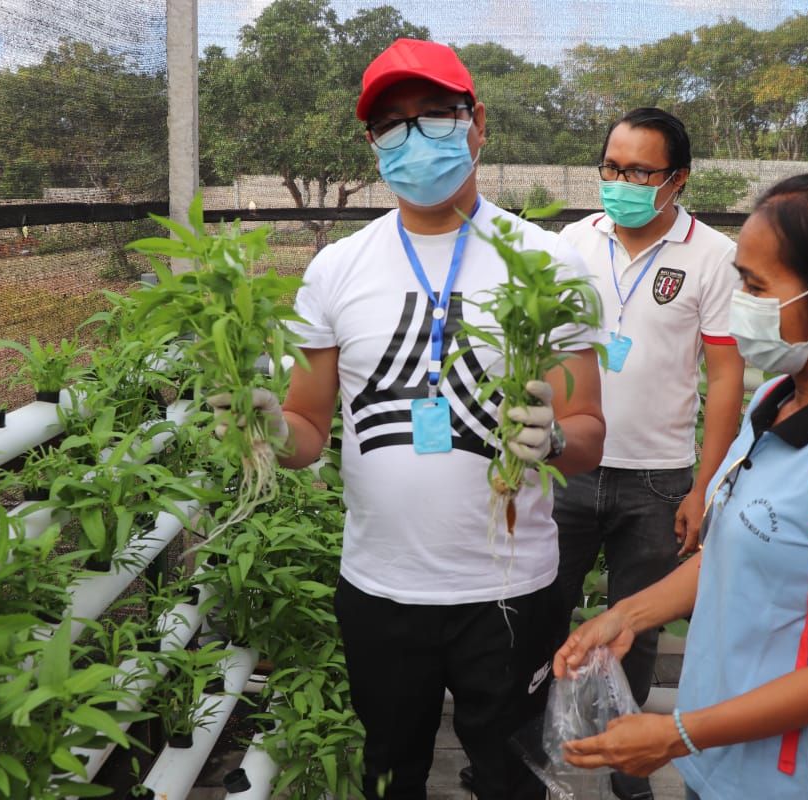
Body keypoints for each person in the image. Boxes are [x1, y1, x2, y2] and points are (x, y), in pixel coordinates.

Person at [217, 38, 606, 799]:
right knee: (391, 771)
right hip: (382, 587)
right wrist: (263, 425)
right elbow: (305, 429)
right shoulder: (338, 267)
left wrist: (555, 439)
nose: (412, 137)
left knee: (510, 776)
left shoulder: (545, 260)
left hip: (511, 590)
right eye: (390, 124)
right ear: (371, 143)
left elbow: (589, 432)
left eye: (434, 115)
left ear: (478, 123)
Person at [553, 173, 808, 799]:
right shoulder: (775, 401)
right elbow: (738, 550)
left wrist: (674, 733)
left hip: (795, 783)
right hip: (719, 766)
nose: (740, 300)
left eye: (755, 286)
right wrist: (626, 614)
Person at [551, 107, 744, 800]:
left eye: (639, 171)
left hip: (658, 481)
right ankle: (528, 756)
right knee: (544, 614)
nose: (620, 182)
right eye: (611, 167)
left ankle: (626, 776)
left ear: (677, 180)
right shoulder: (571, 242)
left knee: (632, 633)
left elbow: (725, 377)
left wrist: (706, 486)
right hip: (567, 466)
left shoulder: (713, 256)